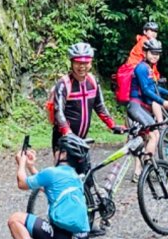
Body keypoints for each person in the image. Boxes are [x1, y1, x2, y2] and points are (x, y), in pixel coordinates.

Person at [4, 134, 92, 239]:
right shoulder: (74, 176)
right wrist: (31, 166)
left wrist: (21, 163)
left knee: (15, 219)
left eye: (58, 150)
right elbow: (47, 188)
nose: (55, 152)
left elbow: (22, 183)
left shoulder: (52, 173)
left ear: (63, 154)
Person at [52, 42, 123, 175]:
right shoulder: (64, 83)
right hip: (64, 139)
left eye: (86, 63)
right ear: (72, 63)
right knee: (64, 179)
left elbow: (99, 106)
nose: (82, 66)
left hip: (82, 139)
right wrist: (67, 132)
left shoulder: (92, 81)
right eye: (78, 62)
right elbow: (58, 111)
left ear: (90, 63)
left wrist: (113, 126)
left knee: (86, 179)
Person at [127, 38, 168, 179]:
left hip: (141, 108)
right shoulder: (142, 68)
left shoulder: (148, 68)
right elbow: (146, 90)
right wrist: (164, 102)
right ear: (145, 52)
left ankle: (140, 172)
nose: (155, 55)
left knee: (143, 138)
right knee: (153, 135)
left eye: (158, 53)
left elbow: (154, 87)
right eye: (152, 52)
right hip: (136, 107)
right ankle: (148, 166)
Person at [123, 21, 164, 121]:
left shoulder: (149, 43)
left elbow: (152, 64)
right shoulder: (144, 43)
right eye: (151, 30)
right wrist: (154, 77)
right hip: (138, 72)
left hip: (141, 71)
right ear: (145, 31)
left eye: (156, 31)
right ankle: (160, 122)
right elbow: (145, 63)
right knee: (153, 96)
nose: (154, 33)